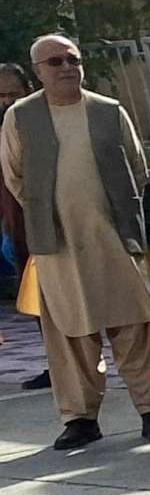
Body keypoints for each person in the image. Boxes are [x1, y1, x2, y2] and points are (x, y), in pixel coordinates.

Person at [3, 35, 150, 449]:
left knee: (136, 326)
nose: (67, 67)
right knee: (68, 333)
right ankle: (80, 418)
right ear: (38, 71)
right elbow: (14, 176)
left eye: (73, 59)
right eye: (56, 61)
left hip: (113, 240)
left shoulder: (108, 111)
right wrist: (52, 212)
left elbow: (138, 168)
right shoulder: (20, 117)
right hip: (57, 246)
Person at [0, 60, 42, 392]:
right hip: (16, 224)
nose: (7, 101)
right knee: (35, 296)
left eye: (13, 93)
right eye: (1, 95)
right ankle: (57, 363)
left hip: (46, 222)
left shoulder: (40, 122)